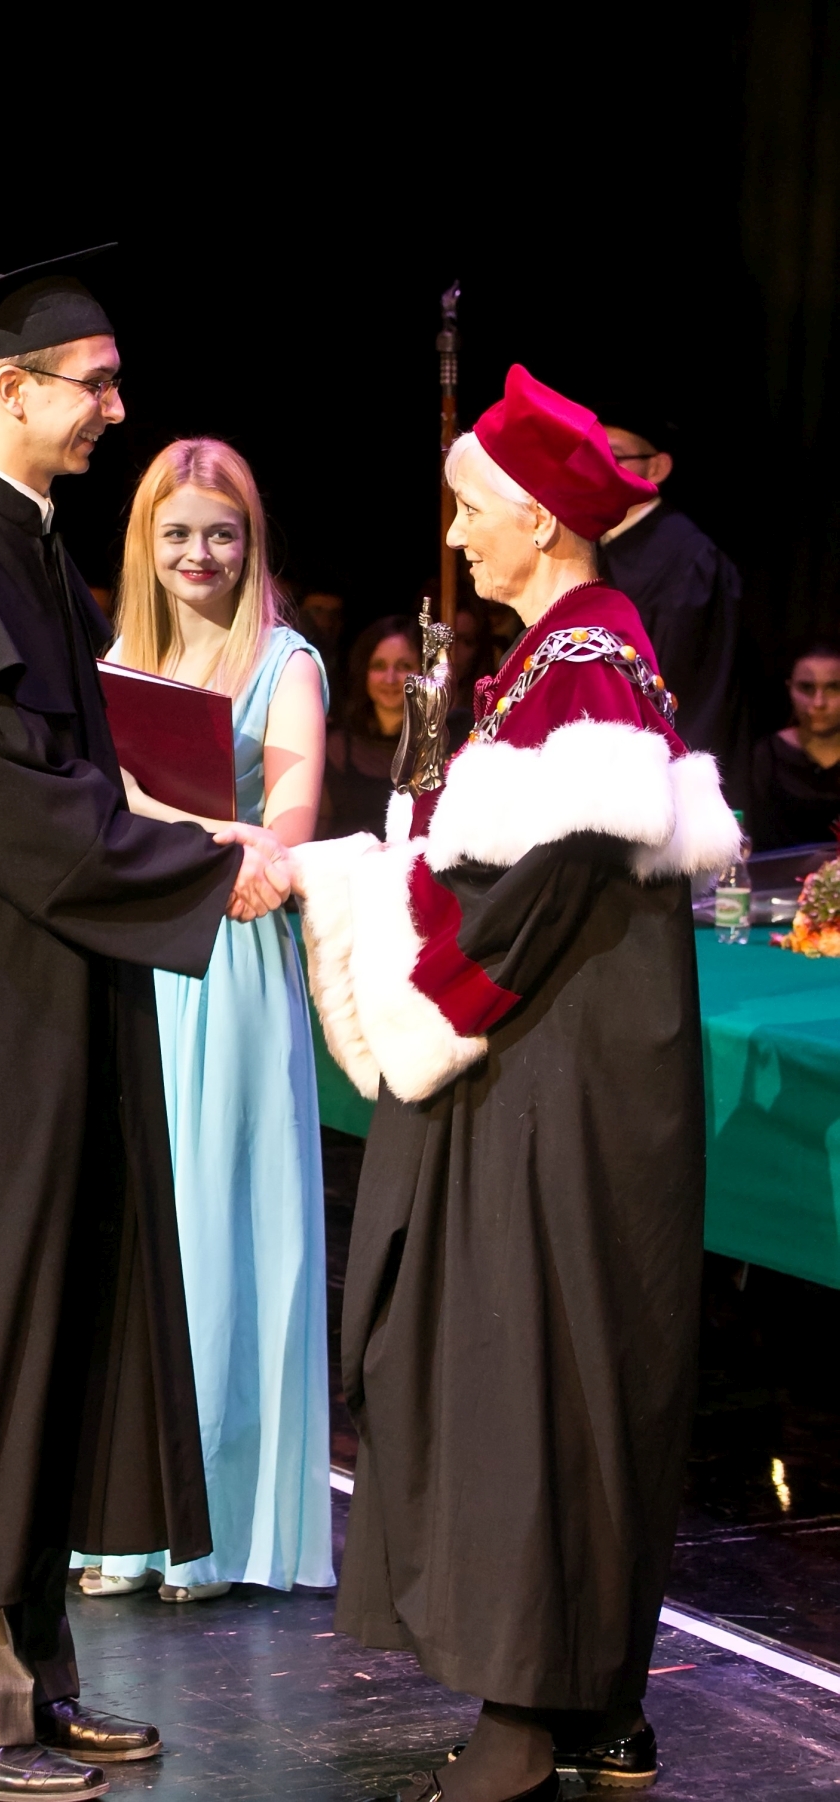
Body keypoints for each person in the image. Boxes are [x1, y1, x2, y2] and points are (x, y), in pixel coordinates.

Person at [0, 258, 291, 1799]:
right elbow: (4, 806)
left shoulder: (17, 538)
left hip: (43, 996)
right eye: (94, 382)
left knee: (53, 1327)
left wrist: (187, 841)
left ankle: (25, 1678)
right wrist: (199, 868)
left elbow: (73, 781)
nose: (115, 410)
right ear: (8, 388)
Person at [290, 366, 739, 1802]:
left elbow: (525, 896)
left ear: (541, 519)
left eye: (473, 511)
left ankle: (528, 1722)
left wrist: (383, 934)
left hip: (555, 1083)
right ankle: (598, 1704)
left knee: (530, 1367)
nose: (459, 537)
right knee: (580, 1366)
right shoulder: (571, 656)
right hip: (576, 1075)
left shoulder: (585, 665)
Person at [74, 438, 333, 1606]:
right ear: (145, 541)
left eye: (220, 534)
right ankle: (123, 1521)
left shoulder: (286, 662)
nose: (198, 554)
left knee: (220, 1228)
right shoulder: (115, 660)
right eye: (177, 533)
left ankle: (215, 1531)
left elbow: (287, 821)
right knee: (138, 1230)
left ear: (249, 540)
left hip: (227, 954)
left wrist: (206, 835)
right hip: (137, 950)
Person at [598, 413, 749, 802]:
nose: (598, 468)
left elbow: (696, 692)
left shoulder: (689, 560)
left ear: (657, 467)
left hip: (659, 784)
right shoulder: (594, 547)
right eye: (591, 455)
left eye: (614, 456)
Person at [318, 616, 420, 839]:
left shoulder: (439, 743)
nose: (390, 679)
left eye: (404, 666)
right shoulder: (336, 747)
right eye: (379, 666)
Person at [749, 637, 840, 851]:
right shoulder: (769, 755)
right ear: (790, 688)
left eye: (833, 688)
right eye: (807, 688)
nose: (818, 703)